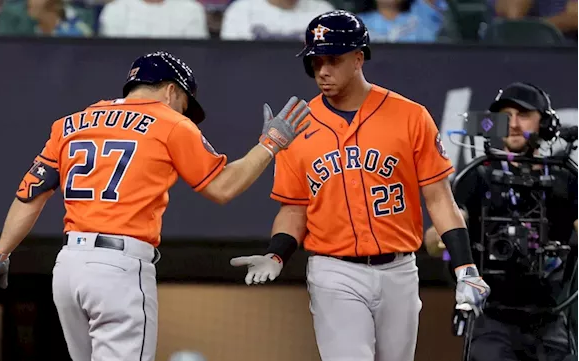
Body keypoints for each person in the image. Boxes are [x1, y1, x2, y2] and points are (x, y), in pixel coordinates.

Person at [0, 51, 311, 361]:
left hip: (68, 269)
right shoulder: (172, 123)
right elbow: (223, 187)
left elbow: (31, 195)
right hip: (119, 268)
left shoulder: (69, 124)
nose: (184, 111)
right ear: (170, 91)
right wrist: (270, 144)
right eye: (184, 102)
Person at [229, 9, 490, 361]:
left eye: (333, 59)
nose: (322, 70)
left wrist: (466, 268)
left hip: (399, 268)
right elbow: (294, 207)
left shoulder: (410, 115)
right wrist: (278, 253)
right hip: (334, 269)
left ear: (358, 58)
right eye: (315, 61)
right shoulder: (297, 125)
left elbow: (440, 200)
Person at [424, 82, 579, 361]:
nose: (513, 124)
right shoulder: (478, 176)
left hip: (551, 318)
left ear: (545, 123)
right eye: (505, 116)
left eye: (523, 115)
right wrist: (444, 238)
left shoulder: (565, 179)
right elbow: (434, 242)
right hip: (491, 319)